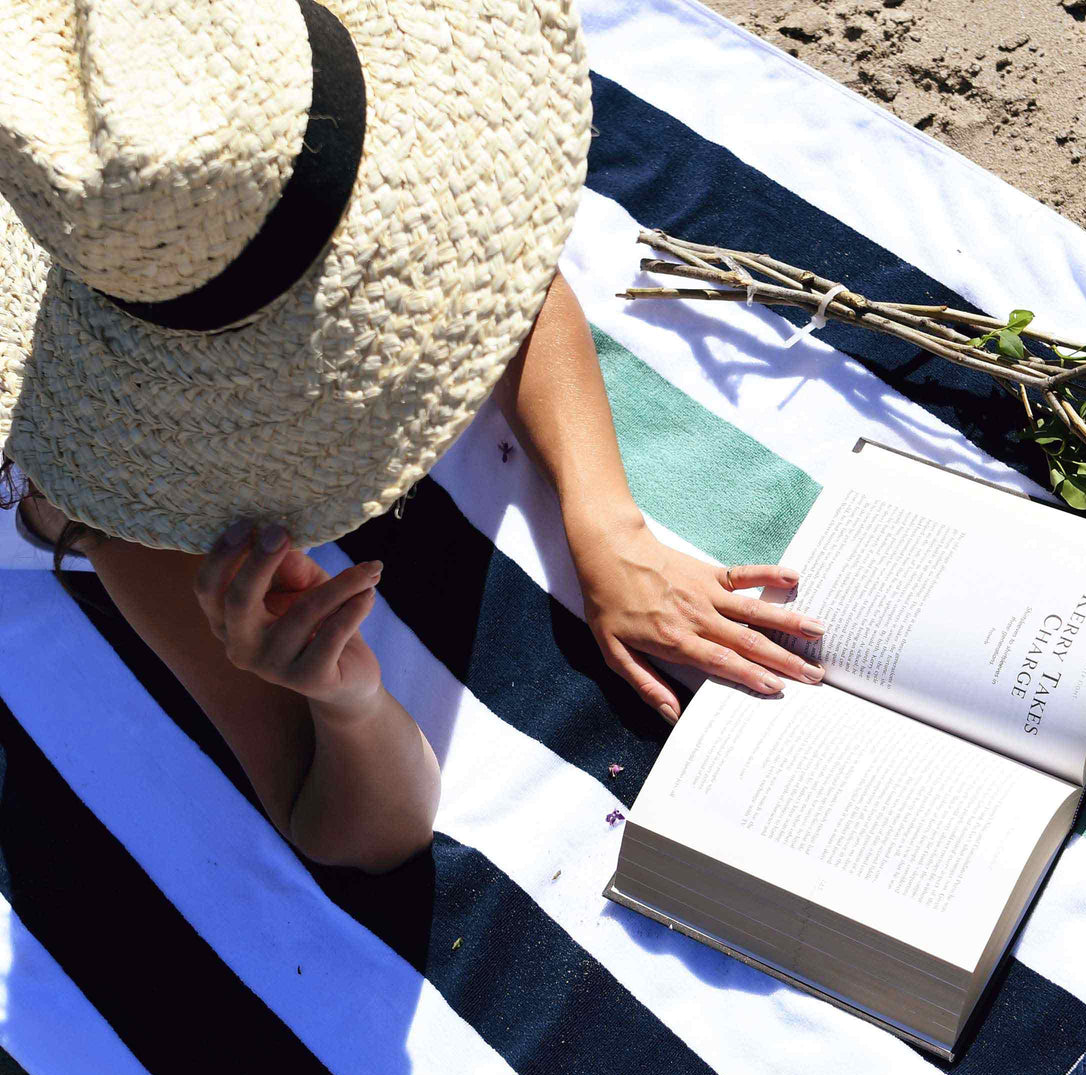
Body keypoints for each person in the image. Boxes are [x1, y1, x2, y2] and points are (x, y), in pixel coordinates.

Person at [0, 0, 824, 874]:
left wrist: (607, 523)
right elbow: (344, 827)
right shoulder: (126, 483)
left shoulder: (201, 110)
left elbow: (499, 277)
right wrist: (347, 702)